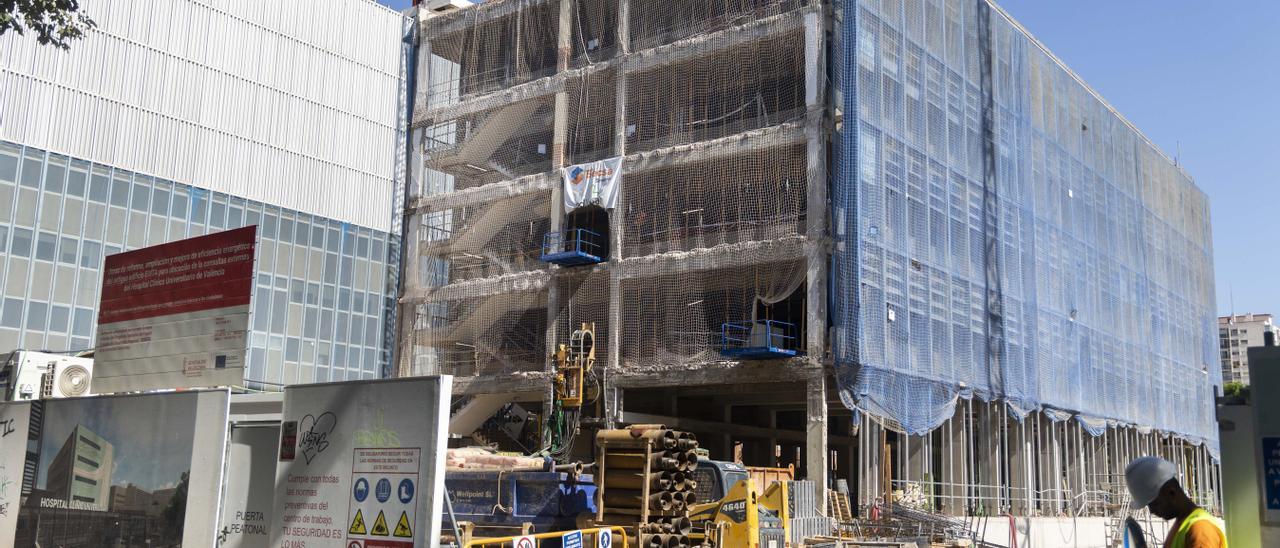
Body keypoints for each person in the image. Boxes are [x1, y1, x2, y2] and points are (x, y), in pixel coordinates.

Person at [1124, 456, 1228, 548]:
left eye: (1153, 504)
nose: (1152, 511)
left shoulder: (1200, 529)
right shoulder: (1181, 524)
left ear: (1171, 492)